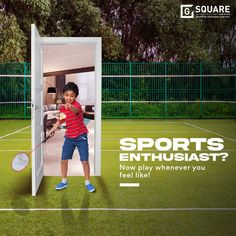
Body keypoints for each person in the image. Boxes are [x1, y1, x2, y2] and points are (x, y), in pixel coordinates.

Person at [48, 82, 95, 193]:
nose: (69, 97)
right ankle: (64, 181)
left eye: (72, 95)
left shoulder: (77, 106)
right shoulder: (63, 109)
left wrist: (70, 106)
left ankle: (88, 182)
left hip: (81, 137)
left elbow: (75, 111)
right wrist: (51, 130)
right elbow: (60, 121)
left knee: (84, 161)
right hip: (69, 138)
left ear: (75, 96)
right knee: (64, 160)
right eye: (66, 95)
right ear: (63, 95)